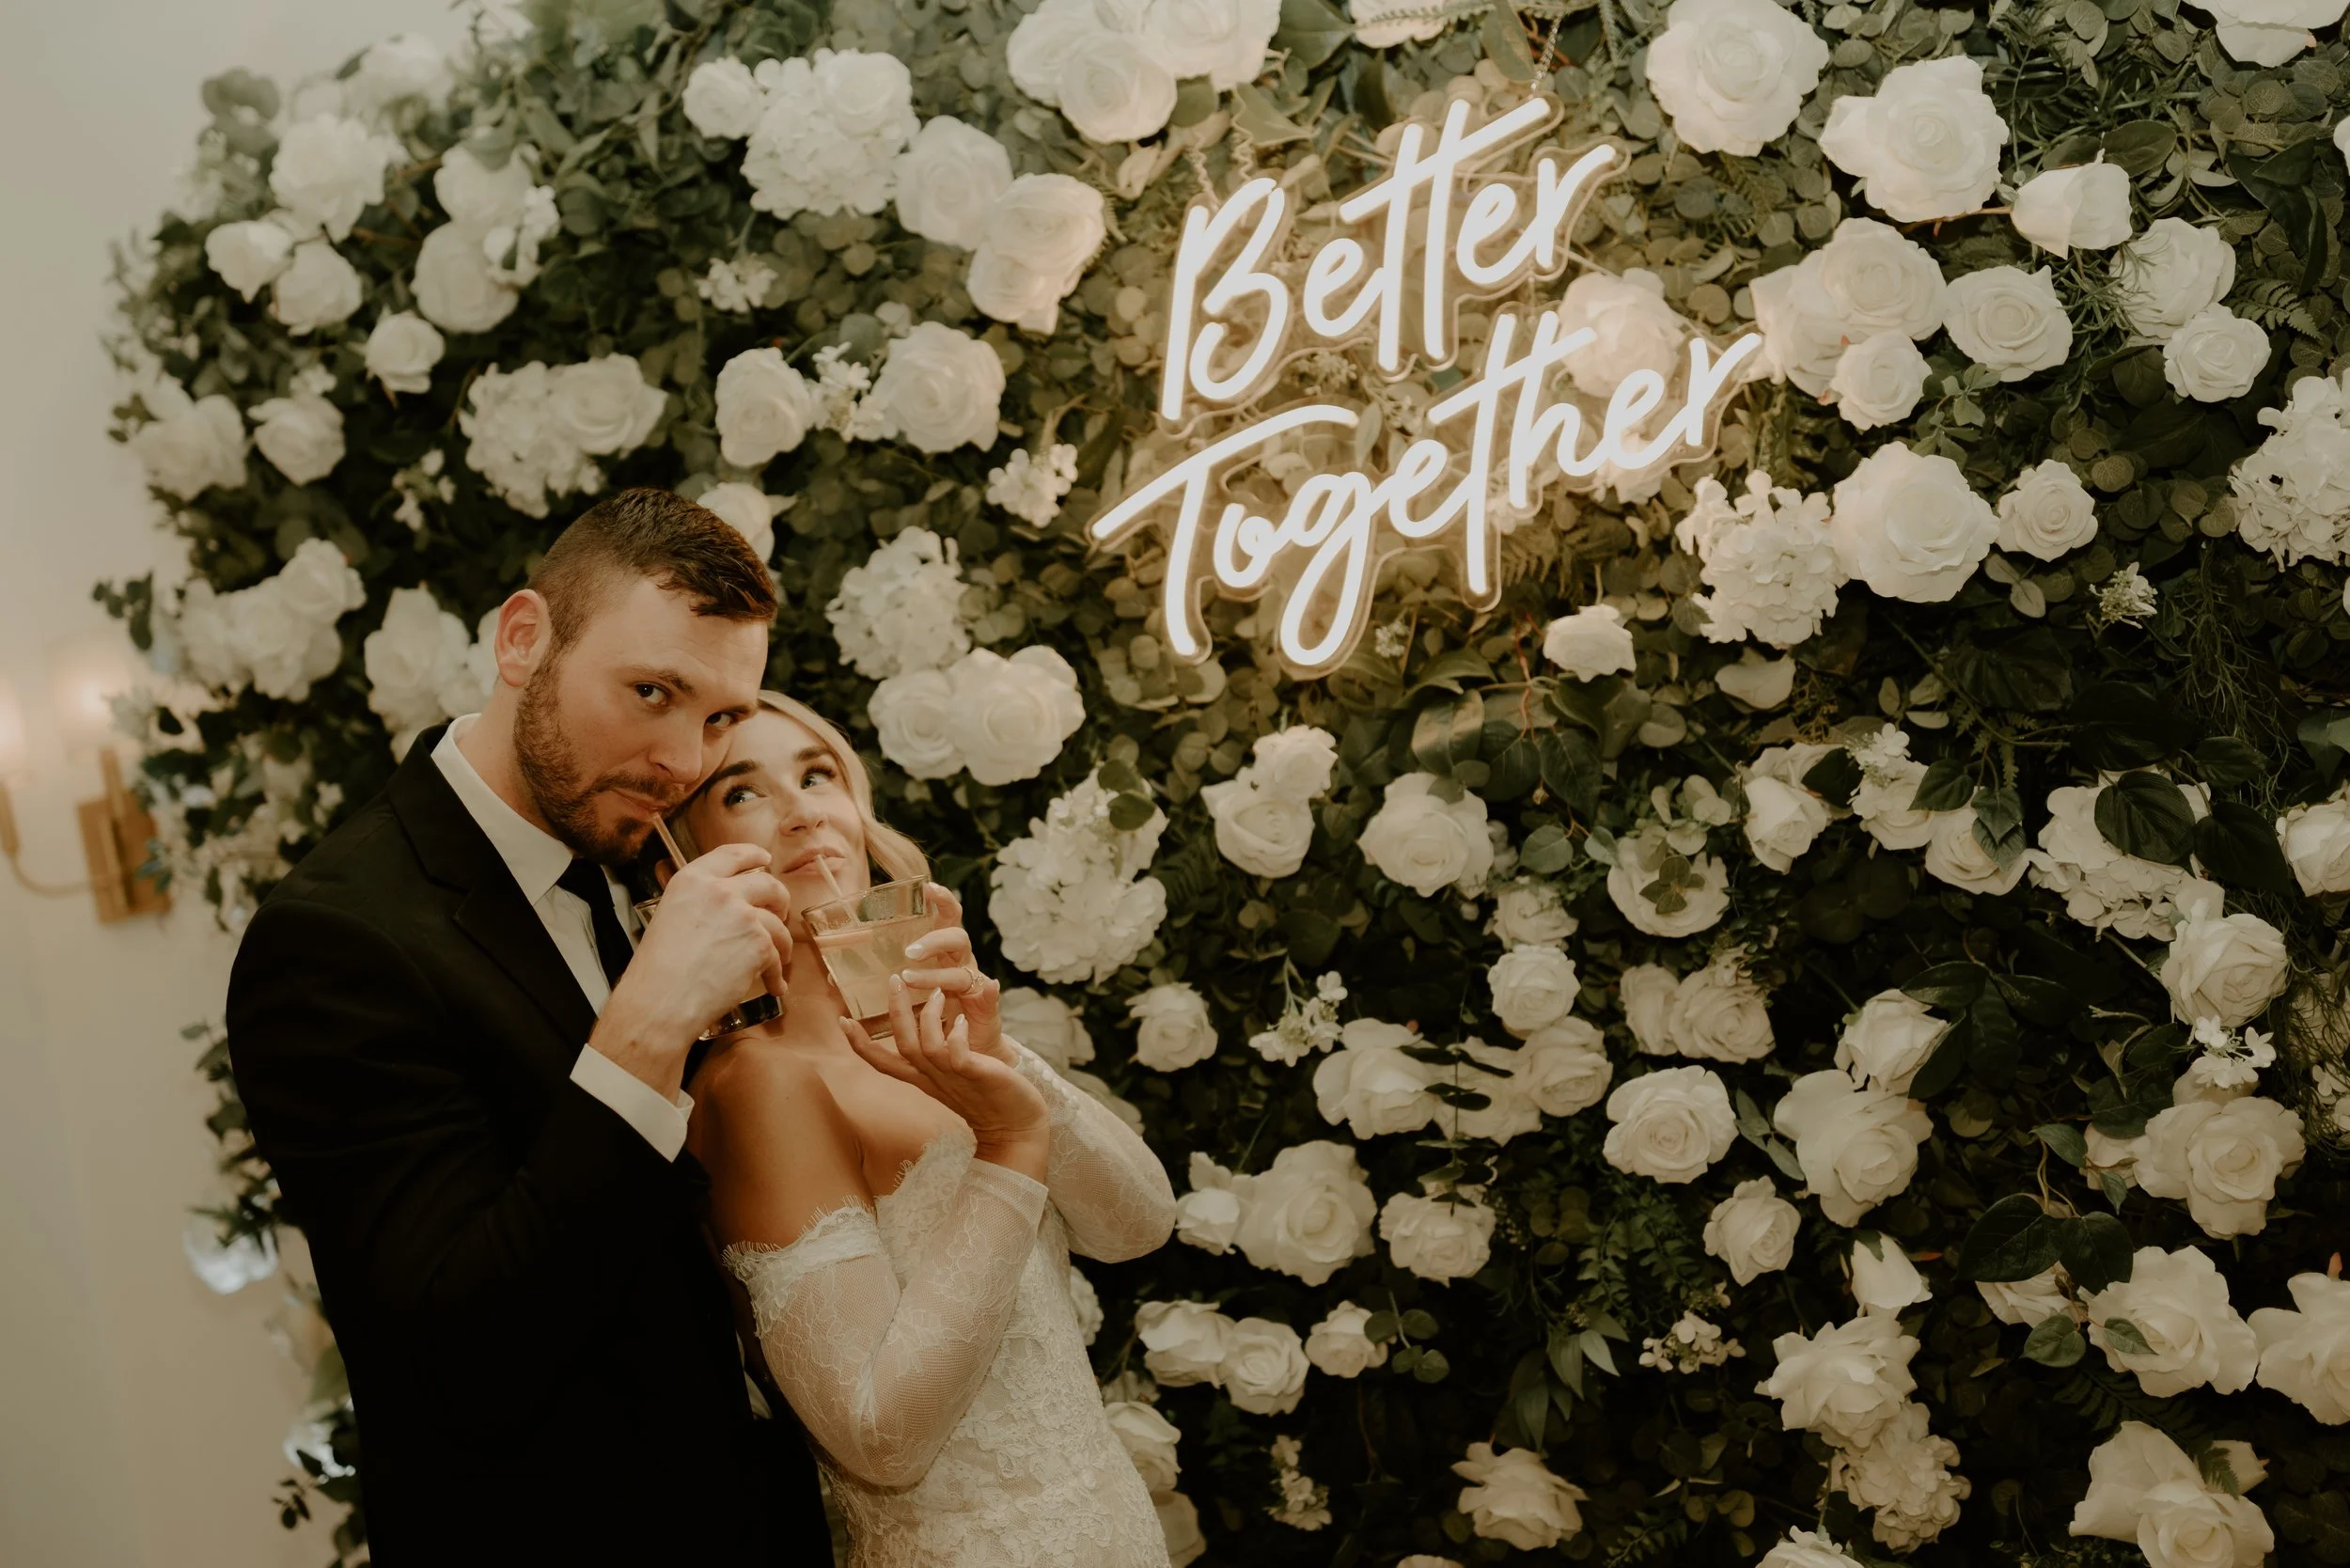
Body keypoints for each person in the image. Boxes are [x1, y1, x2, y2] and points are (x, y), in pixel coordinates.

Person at [225, 490, 825, 1563]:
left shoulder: (642, 849)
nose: (685, 759)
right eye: (652, 692)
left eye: (722, 716)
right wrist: (647, 1022)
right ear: (521, 640)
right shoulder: (334, 940)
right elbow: (460, 1357)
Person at [679, 691, 1177, 1568]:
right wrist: (1009, 1150)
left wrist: (1007, 1068)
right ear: (686, 862)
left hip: (1114, 1532)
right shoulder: (758, 1085)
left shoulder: (933, 1031)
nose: (802, 812)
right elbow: (881, 1439)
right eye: (743, 793)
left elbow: (1138, 1226)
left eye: (817, 773)